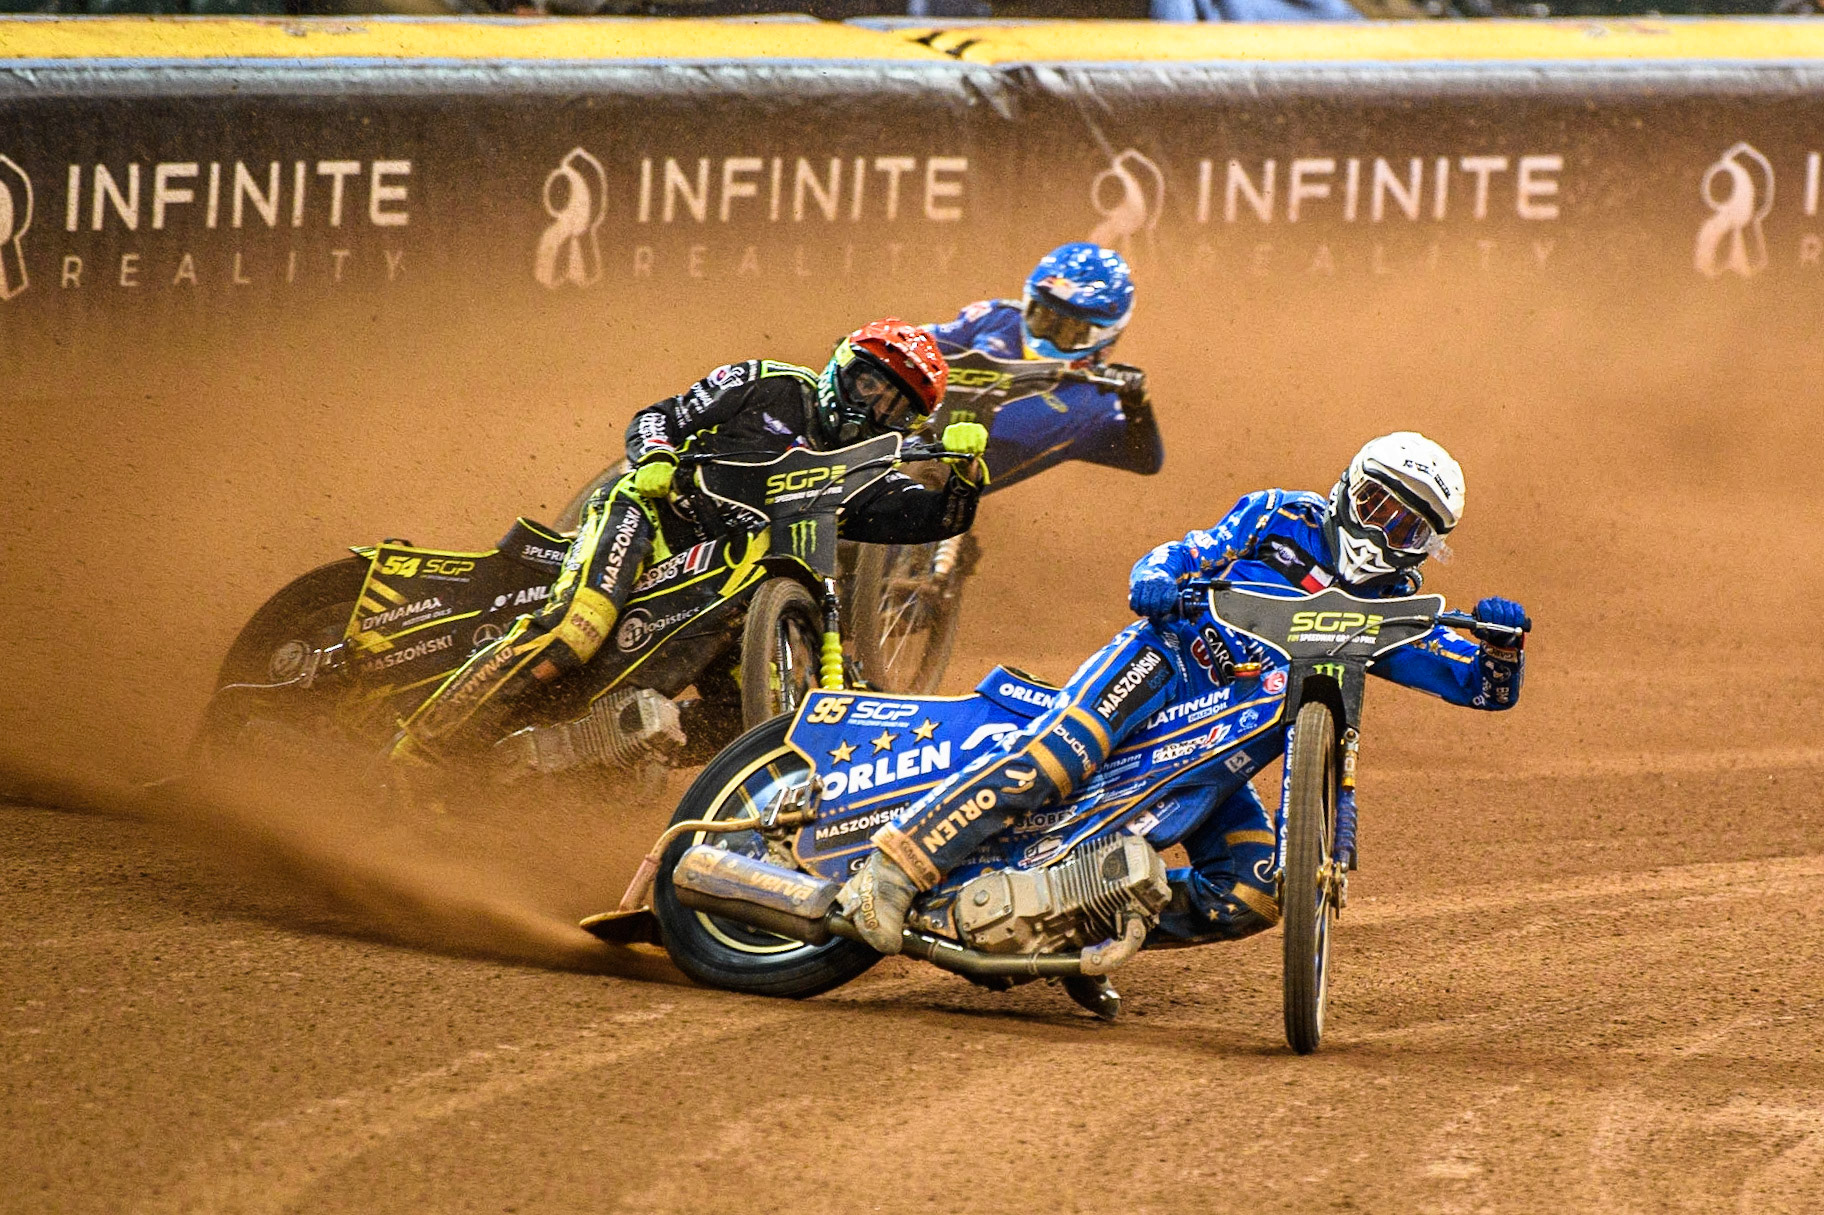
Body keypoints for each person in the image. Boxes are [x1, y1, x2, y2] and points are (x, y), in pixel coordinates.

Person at [836, 431, 1529, 954]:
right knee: (1061, 752)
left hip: (1220, 748)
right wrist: (1156, 574)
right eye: (1376, 504)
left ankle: (1071, 926)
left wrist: (1502, 645)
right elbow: (1189, 550)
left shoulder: (1395, 613)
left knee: (1254, 892)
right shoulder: (1277, 515)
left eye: (1406, 527)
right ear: (1348, 487)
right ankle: (890, 872)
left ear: (1424, 548)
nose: (1382, 531)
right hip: (1162, 666)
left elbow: (1482, 686)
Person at [392, 319, 990, 762]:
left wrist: (966, 473)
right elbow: (659, 417)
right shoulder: (766, 384)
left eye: (893, 405)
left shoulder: (867, 476)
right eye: (868, 384)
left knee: (743, 730)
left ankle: (617, 748)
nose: (872, 406)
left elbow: (937, 519)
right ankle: (424, 743)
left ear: (907, 426)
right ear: (842, 367)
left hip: (737, 589)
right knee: (578, 629)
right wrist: (652, 458)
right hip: (653, 520)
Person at [925, 241, 1162, 492]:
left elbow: (1146, 461)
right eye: (1043, 316)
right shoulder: (996, 318)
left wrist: (1138, 405)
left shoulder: (1095, 401)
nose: (1049, 333)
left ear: (1105, 336)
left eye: (1070, 328)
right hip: (897, 444)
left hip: (940, 503)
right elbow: (915, 342)